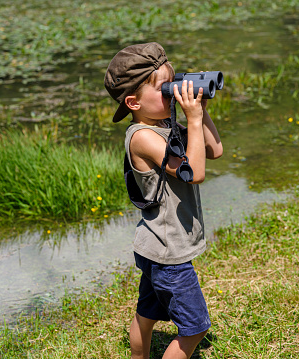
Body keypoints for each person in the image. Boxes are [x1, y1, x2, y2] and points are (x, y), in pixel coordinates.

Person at [104, 42, 223, 359]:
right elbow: (195, 172)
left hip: (156, 246)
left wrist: (202, 113)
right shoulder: (143, 137)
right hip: (168, 254)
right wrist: (193, 121)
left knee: (146, 315)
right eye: (165, 88)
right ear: (133, 102)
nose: (174, 93)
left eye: (175, 82)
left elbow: (213, 151)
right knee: (195, 328)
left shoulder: (165, 126)